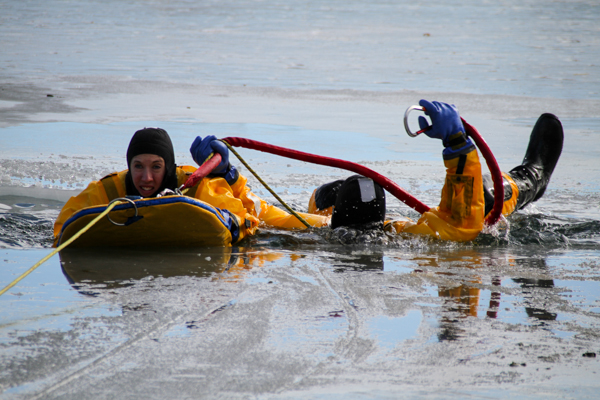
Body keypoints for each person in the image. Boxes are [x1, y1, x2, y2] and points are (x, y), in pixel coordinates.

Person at [53, 100, 563, 245]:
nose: (145, 177)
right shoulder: (112, 190)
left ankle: (527, 181)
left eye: (154, 166)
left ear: (168, 165)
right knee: (352, 202)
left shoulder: (193, 181)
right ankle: (331, 198)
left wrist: (459, 149)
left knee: (465, 229)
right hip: (295, 220)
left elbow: (241, 215)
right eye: (139, 167)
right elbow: (67, 221)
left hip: (299, 224)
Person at [307, 100, 563, 241]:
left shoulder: (315, 225)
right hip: (471, 220)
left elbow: (268, 212)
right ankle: (531, 177)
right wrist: (457, 146)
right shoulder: (406, 235)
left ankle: (530, 178)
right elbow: (460, 227)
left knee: (327, 197)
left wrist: (319, 196)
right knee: (484, 198)